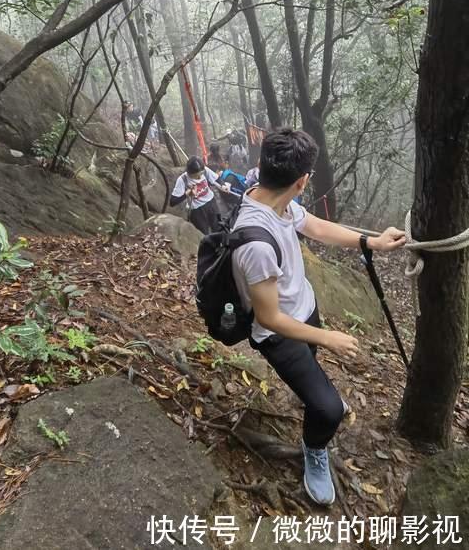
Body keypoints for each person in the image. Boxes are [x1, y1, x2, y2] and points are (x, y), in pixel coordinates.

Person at [231, 128, 405, 506]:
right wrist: (328, 337)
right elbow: (270, 318)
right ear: (302, 181)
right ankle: (315, 449)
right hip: (279, 333)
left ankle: (310, 397)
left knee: (313, 378)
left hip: (304, 310)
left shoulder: (278, 201)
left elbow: (316, 227)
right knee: (328, 409)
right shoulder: (255, 243)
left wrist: (371, 241)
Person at [170, 156, 228, 234]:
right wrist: (186, 194)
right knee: (203, 233)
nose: (200, 177)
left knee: (218, 227)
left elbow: (217, 178)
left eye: (201, 174)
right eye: (197, 175)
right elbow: (172, 202)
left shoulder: (204, 170)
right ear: (189, 173)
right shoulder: (182, 180)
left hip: (211, 202)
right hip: (197, 210)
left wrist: (223, 185)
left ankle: (221, 244)